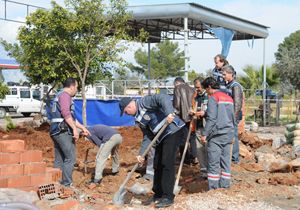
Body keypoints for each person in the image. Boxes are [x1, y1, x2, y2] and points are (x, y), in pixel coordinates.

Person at [119, 94, 185, 208]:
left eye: (125, 112)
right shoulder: (139, 119)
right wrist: (141, 154)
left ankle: (168, 197)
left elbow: (162, 98)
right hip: (161, 136)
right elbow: (147, 137)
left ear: (129, 106)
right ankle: (158, 194)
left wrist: (169, 112)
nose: (126, 114)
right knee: (157, 163)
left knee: (166, 162)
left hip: (173, 131)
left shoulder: (145, 102)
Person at [49, 78, 90, 187]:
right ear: (72, 86)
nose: (76, 90)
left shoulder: (59, 95)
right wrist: (75, 130)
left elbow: (70, 118)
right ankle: (67, 184)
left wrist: (82, 127)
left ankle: (55, 184)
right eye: (76, 87)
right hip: (62, 131)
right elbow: (66, 113)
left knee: (60, 159)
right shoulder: (65, 96)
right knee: (70, 158)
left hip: (55, 130)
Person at [200, 77, 235, 190]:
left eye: (206, 89)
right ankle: (225, 186)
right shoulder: (229, 98)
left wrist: (204, 134)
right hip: (228, 133)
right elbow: (231, 117)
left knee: (213, 163)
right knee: (226, 162)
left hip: (217, 135)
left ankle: (214, 189)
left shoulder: (213, 98)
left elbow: (212, 119)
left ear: (209, 87)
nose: (207, 93)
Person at [173, 77, 198, 164]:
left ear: (177, 83)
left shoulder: (177, 88)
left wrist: (175, 115)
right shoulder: (192, 89)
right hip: (193, 116)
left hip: (182, 117)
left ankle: (186, 158)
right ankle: (195, 156)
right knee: (192, 137)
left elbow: (176, 105)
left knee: (182, 138)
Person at [222, 65, 243, 164]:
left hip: (233, 116)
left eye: (224, 74)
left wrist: (233, 117)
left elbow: (237, 104)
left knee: (233, 135)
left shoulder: (236, 86)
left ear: (231, 74)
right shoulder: (228, 85)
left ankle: (235, 159)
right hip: (227, 116)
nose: (223, 76)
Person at [192, 78, 209, 177]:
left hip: (206, 126)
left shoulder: (209, 96)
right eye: (195, 88)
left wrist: (203, 113)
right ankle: (203, 171)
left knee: (207, 149)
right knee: (199, 149)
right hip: (198, 125)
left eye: (198, 87)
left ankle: (211, 170)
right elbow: (194, 107)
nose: (197, 89)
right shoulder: (196, 97)